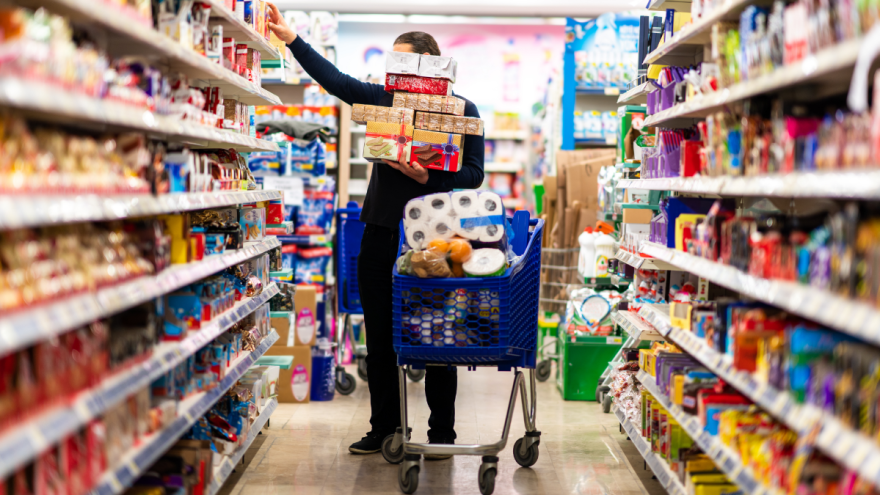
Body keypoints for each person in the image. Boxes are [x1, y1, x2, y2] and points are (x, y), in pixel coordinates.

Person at [267, 4, 485, 457]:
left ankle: (441, 434)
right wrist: (291, 39)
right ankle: (384, 427)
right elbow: (337, 82)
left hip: (436, 242)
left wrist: (432, 178)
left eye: (403, 64)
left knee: (439, 334)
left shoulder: (462, 111)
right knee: (380, 336)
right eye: (392, 65)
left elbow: (476, 174)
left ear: (430, 66)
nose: (395, 75)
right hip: (381, 233)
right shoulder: (385, 100)